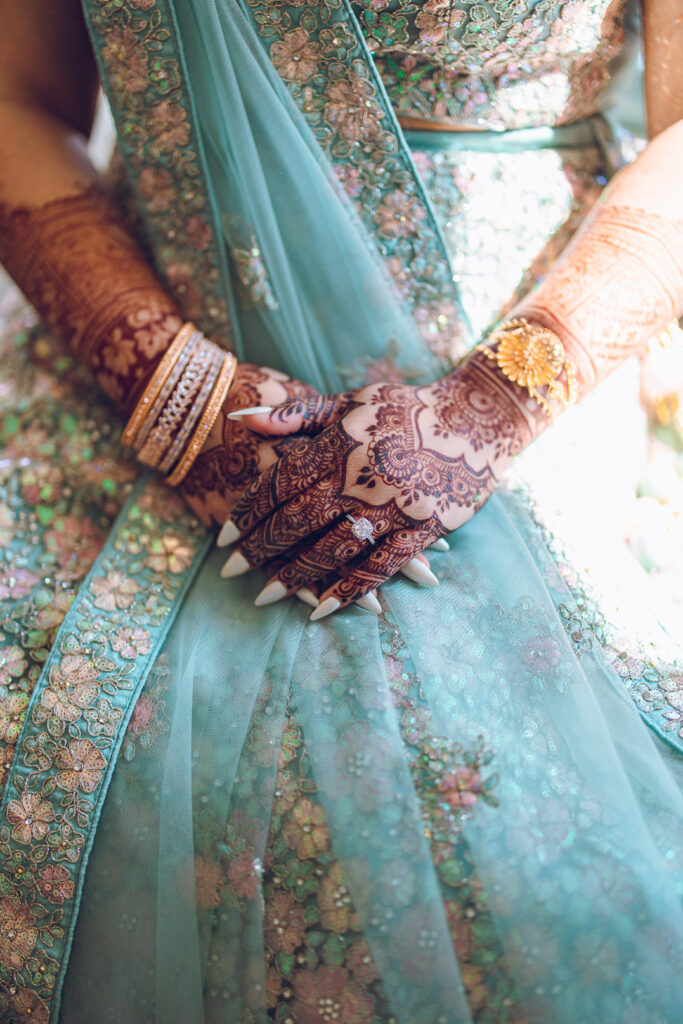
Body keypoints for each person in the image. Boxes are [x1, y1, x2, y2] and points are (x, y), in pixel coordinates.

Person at [0, 1, 682, 1022]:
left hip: (528, 361)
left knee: (513, 841)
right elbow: (19, 99)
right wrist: (168, 386)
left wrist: (483, 413)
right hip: (147, 349)